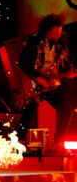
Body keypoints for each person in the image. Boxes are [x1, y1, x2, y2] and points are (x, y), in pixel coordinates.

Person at [18, 14, 77, 147]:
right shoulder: (33, 42)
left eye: (59, 32)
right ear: (47, 30)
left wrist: (67, 73)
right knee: (29, 111)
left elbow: (64, 64)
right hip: (34, 82)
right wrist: (38, 78)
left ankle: (58, 142)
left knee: (67, 108)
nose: (58, 35)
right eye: (55, 32)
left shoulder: (61, 44)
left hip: (51, 84)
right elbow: (24, 64)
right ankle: (20, 140)